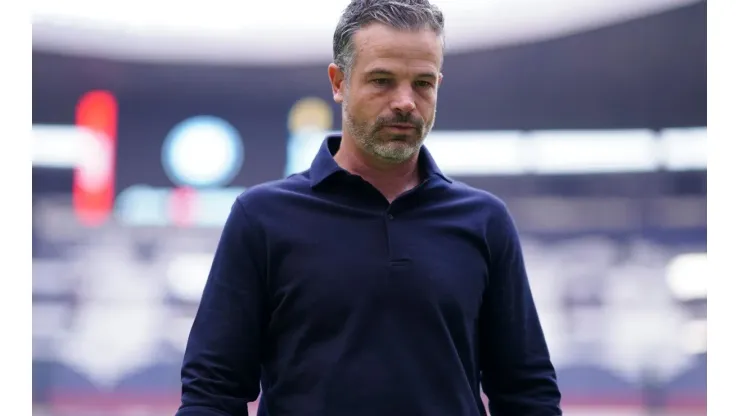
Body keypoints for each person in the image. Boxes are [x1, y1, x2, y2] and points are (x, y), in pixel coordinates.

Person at [176, 0, 562, 415]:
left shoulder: (485, 221)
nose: (405, 102)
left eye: (423, 83)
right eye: (382, 80)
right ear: (339, 81)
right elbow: (212, 393)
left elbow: (527, 392)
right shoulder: (262, 217)